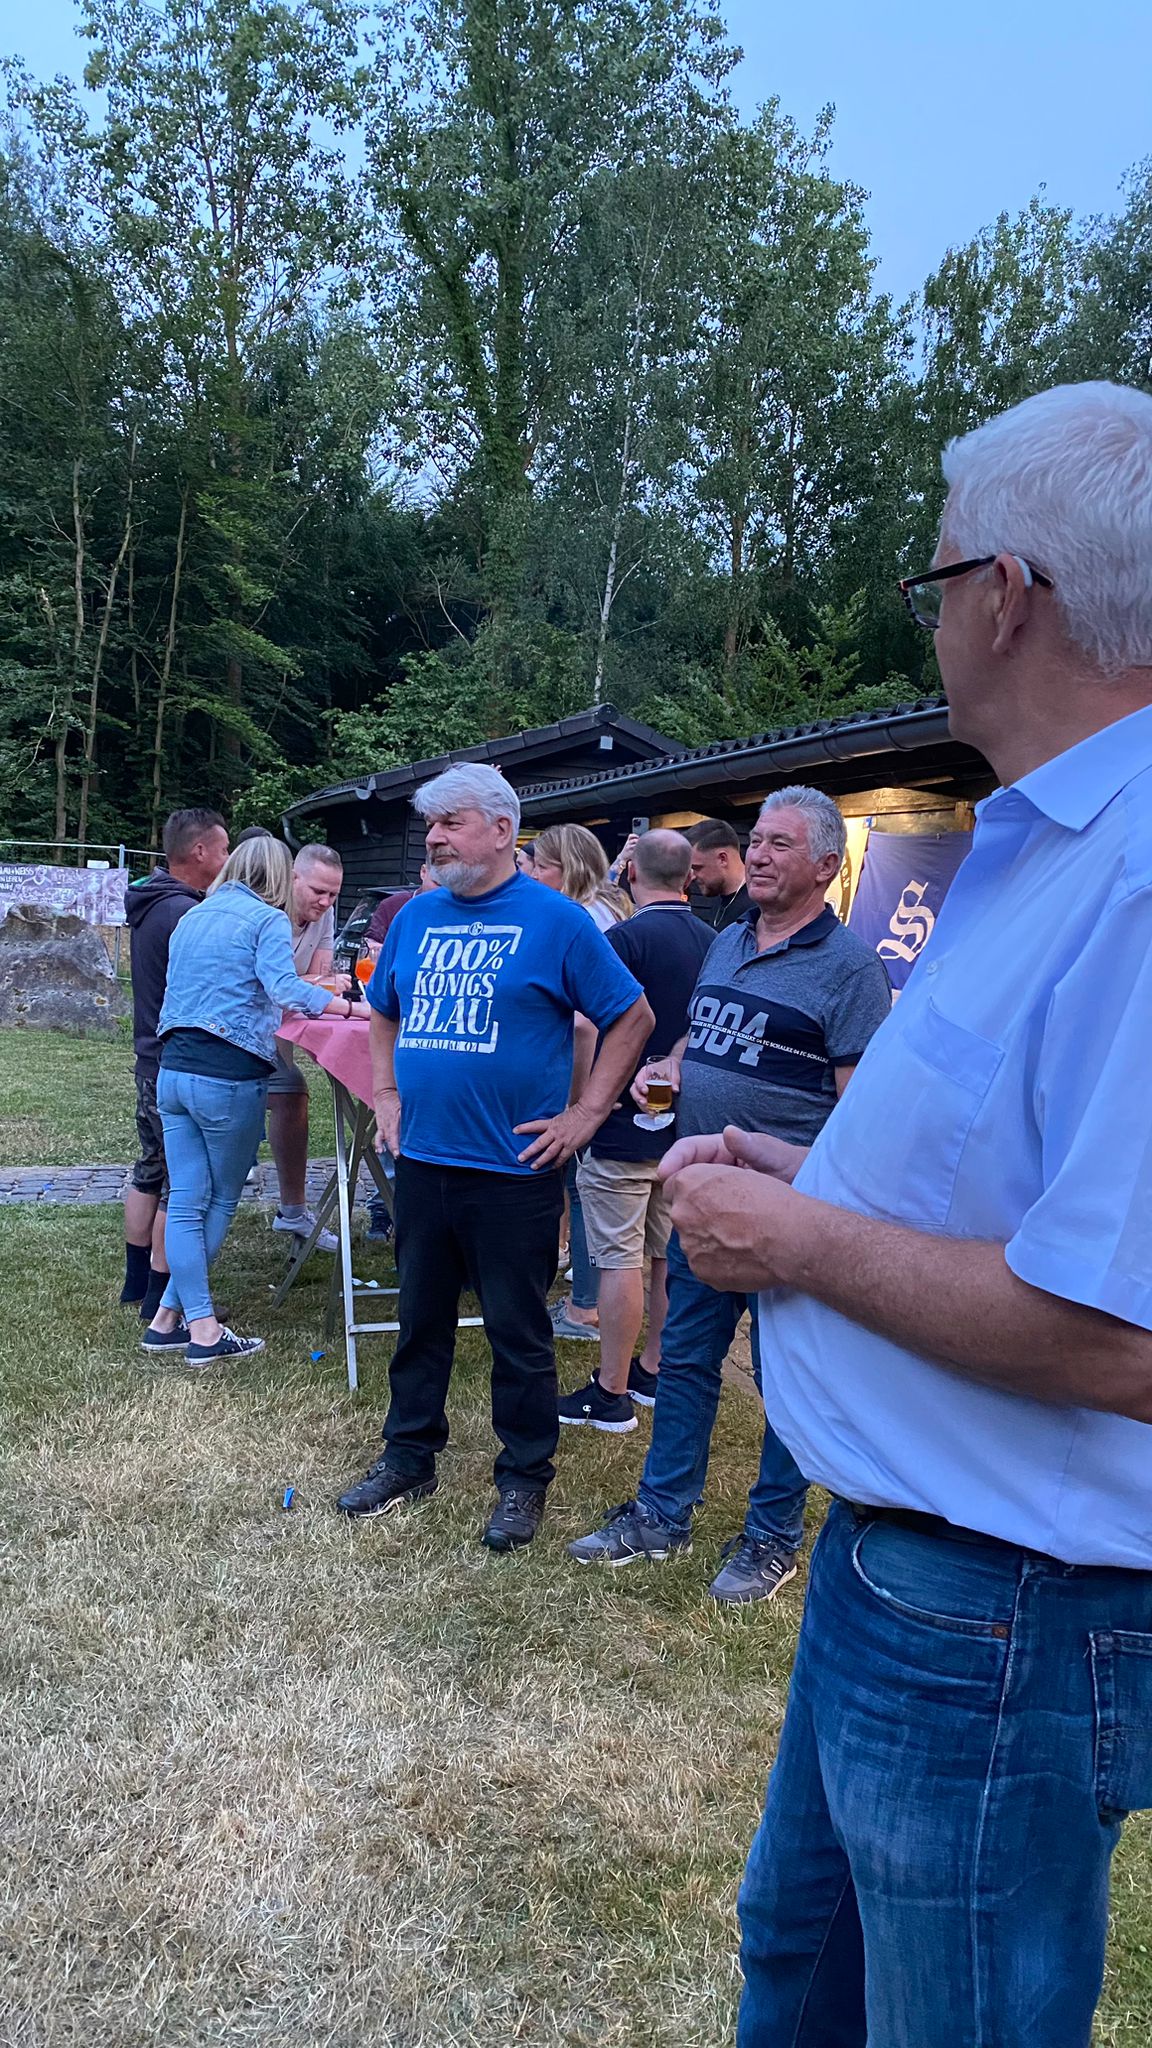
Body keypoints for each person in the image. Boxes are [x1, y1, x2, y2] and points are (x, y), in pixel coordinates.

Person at [660, 383, 1152, 2047]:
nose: (930, 612)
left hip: (1005, 1614)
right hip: (913, 1569)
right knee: (800, 1968)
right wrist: (817, 1182)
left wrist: (797, 1243)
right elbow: (1023, 1189)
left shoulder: (1138, 872)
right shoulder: (1056, 842)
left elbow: (1128, 1337)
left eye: (934, 577)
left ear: (1005, 594)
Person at [568, 786, 892, 1601]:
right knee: (685, 1359)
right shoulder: (728, 939)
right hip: (704, 1198)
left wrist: (810, 1185)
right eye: (756, 840)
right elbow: (701, 1032)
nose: (760, 855)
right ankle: (661, 1513)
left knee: (786, 1381)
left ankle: (772, 1539)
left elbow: (864, 1113)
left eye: (782, 844)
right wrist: (671, 1067)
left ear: (827, 865)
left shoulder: (851, 969)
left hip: (789, 1212)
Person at [337, 763, 653, 1551]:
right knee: (420, 1320)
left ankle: (523, 1478)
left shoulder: (559, 921)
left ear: (504, 829)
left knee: (518, 1332)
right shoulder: (416, 916)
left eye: (451, 823)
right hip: (424, 1160)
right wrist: (385, 1093)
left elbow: (632, 1016)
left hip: (514, 1171)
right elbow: (382, 1011)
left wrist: (586, 1114)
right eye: (431, 824)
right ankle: (408, 1457)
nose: (434, 838)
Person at [142, 835, 355, 1365]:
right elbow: (286, 990)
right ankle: (204, 1331)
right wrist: (352, 1009)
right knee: (216, 1202)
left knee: (186, 1201)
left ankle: (165, 1320)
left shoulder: (194, 915)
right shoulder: (267, 920)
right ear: (282, 876)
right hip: (228, 1076)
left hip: (173, 1071)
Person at [557, 828, 714, 1432]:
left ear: (629, 874)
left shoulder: (621, 940)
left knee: (618, 1259)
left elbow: (585, 1026)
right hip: (684, 1131)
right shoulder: (717, 943)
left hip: (621, 1124)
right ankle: (652, 1368)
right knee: (664, 1256)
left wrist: (581, 1106)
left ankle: (611, 1392)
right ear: (690, 877)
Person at [122, 808, 230, 1321]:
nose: (228, 859)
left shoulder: (150, 901)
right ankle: (161, 1297)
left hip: (148, 1057)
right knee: (180, 1185)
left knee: (149, 1169)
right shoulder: (186, 913)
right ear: (200, 852)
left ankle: (135, 1282)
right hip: (175, 1059)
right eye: (224, 849)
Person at [533, 821, 632, 1342]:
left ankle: (584, 1308)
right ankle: (583, 1293)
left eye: (540, 865)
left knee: (581, 1185)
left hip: (588, 1074)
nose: (530, 874)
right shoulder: (608, 907)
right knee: (584, 1187)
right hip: (606, 1072)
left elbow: (583, 1023)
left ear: (566, 868)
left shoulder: (580, 919)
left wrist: (578, 1104)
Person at [266, 843, 351, 1252]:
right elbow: (280, 987)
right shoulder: (269, 911)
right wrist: (307, 987)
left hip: (281, 1028)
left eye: (333, 894)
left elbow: (322, 979)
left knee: (292, 1093)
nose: (325, 902)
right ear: (293, 878)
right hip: (243, 1030)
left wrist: (305, 986)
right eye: (318, 891)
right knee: (284, 1092)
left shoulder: (325, 913)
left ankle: (293, 1212)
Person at [688, 819, 750, 932]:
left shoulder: (758, 906)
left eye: (697, 868)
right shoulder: (717, 898)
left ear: (722, 859)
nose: (693, 876)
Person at [365, 862, 438, 948]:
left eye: (449, 885)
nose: (443, 890)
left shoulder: (452, 911)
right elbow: (371, 946)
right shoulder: (391, 906)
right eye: (437, 882)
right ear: (423, 872)